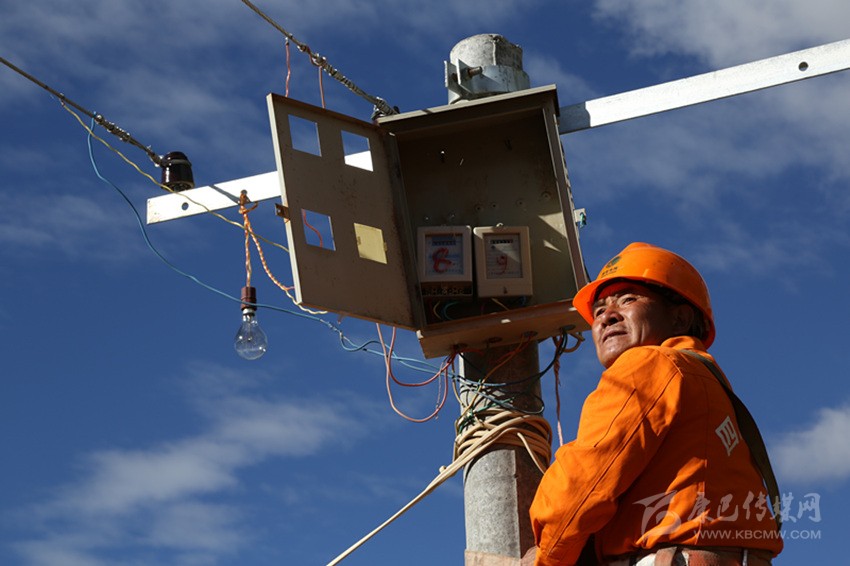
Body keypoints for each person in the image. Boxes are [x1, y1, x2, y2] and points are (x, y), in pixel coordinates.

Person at [529, 242, 783, 566]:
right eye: (599, 310)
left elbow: (580, 487)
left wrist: (547, 557)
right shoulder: (705, 382)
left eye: (628, 299)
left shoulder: (650, 364)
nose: (606, 317)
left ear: (679, 318)